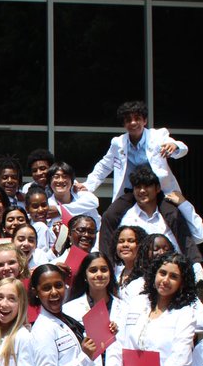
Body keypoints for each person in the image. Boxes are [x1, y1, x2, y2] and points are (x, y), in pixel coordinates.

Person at [81, 102, 190, 258]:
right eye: (128, 120)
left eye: (137, 118)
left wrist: (174, 146)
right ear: (124, 124)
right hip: (134, 191)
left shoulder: (158, 136)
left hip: (158, 190)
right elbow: (104, 165)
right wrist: (88, 185)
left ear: (144, 121)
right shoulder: (118, 143)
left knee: (174, 216)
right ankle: (106, 261)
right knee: (109, 216)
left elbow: (182, 148)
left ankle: (193, 263)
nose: (133, 123)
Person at [117, 167, 203, 266]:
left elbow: (200, 236)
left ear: (158, 188)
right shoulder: (128, 220)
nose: (142, 191)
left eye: (147, 186)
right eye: (138, 187)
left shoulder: (171, 215)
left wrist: (183, 204)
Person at [45, 162, 100, 227]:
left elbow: (94, 202)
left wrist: (60, 210)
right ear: (50, 182)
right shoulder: (47, 205)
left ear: (72, 181)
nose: (60, 180)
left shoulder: (80, 195)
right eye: (56, 177)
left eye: (65, 176)